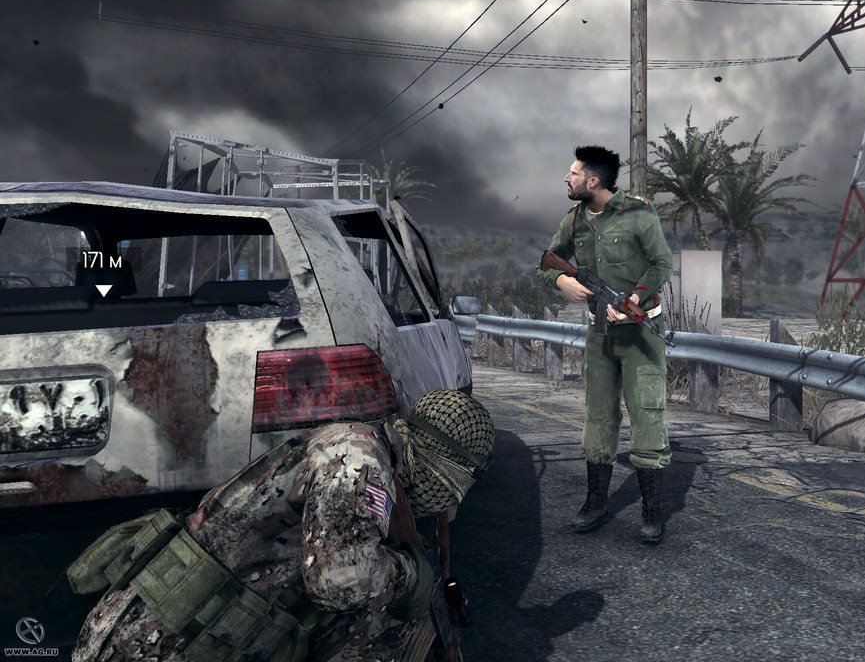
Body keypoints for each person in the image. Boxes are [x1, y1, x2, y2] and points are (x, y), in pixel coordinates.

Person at [67, 389, 494, 662]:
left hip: (187, 632)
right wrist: (410, 573)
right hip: (157, 640)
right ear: (436, 463)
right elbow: (338, 582)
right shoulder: (358, 459)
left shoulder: (366, 450)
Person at [536, 145, 674, 544]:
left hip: (641, 334)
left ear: (593, 181)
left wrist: (634, 300)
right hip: (599, 335)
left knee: (647, 414)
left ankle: (651, 511)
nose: (567, 178)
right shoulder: (574, 221)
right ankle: (595, 502)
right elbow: (546, 262)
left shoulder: (638, 214)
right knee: (598, 415)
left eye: (574, 173)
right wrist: (563, 281)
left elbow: (662, 263)